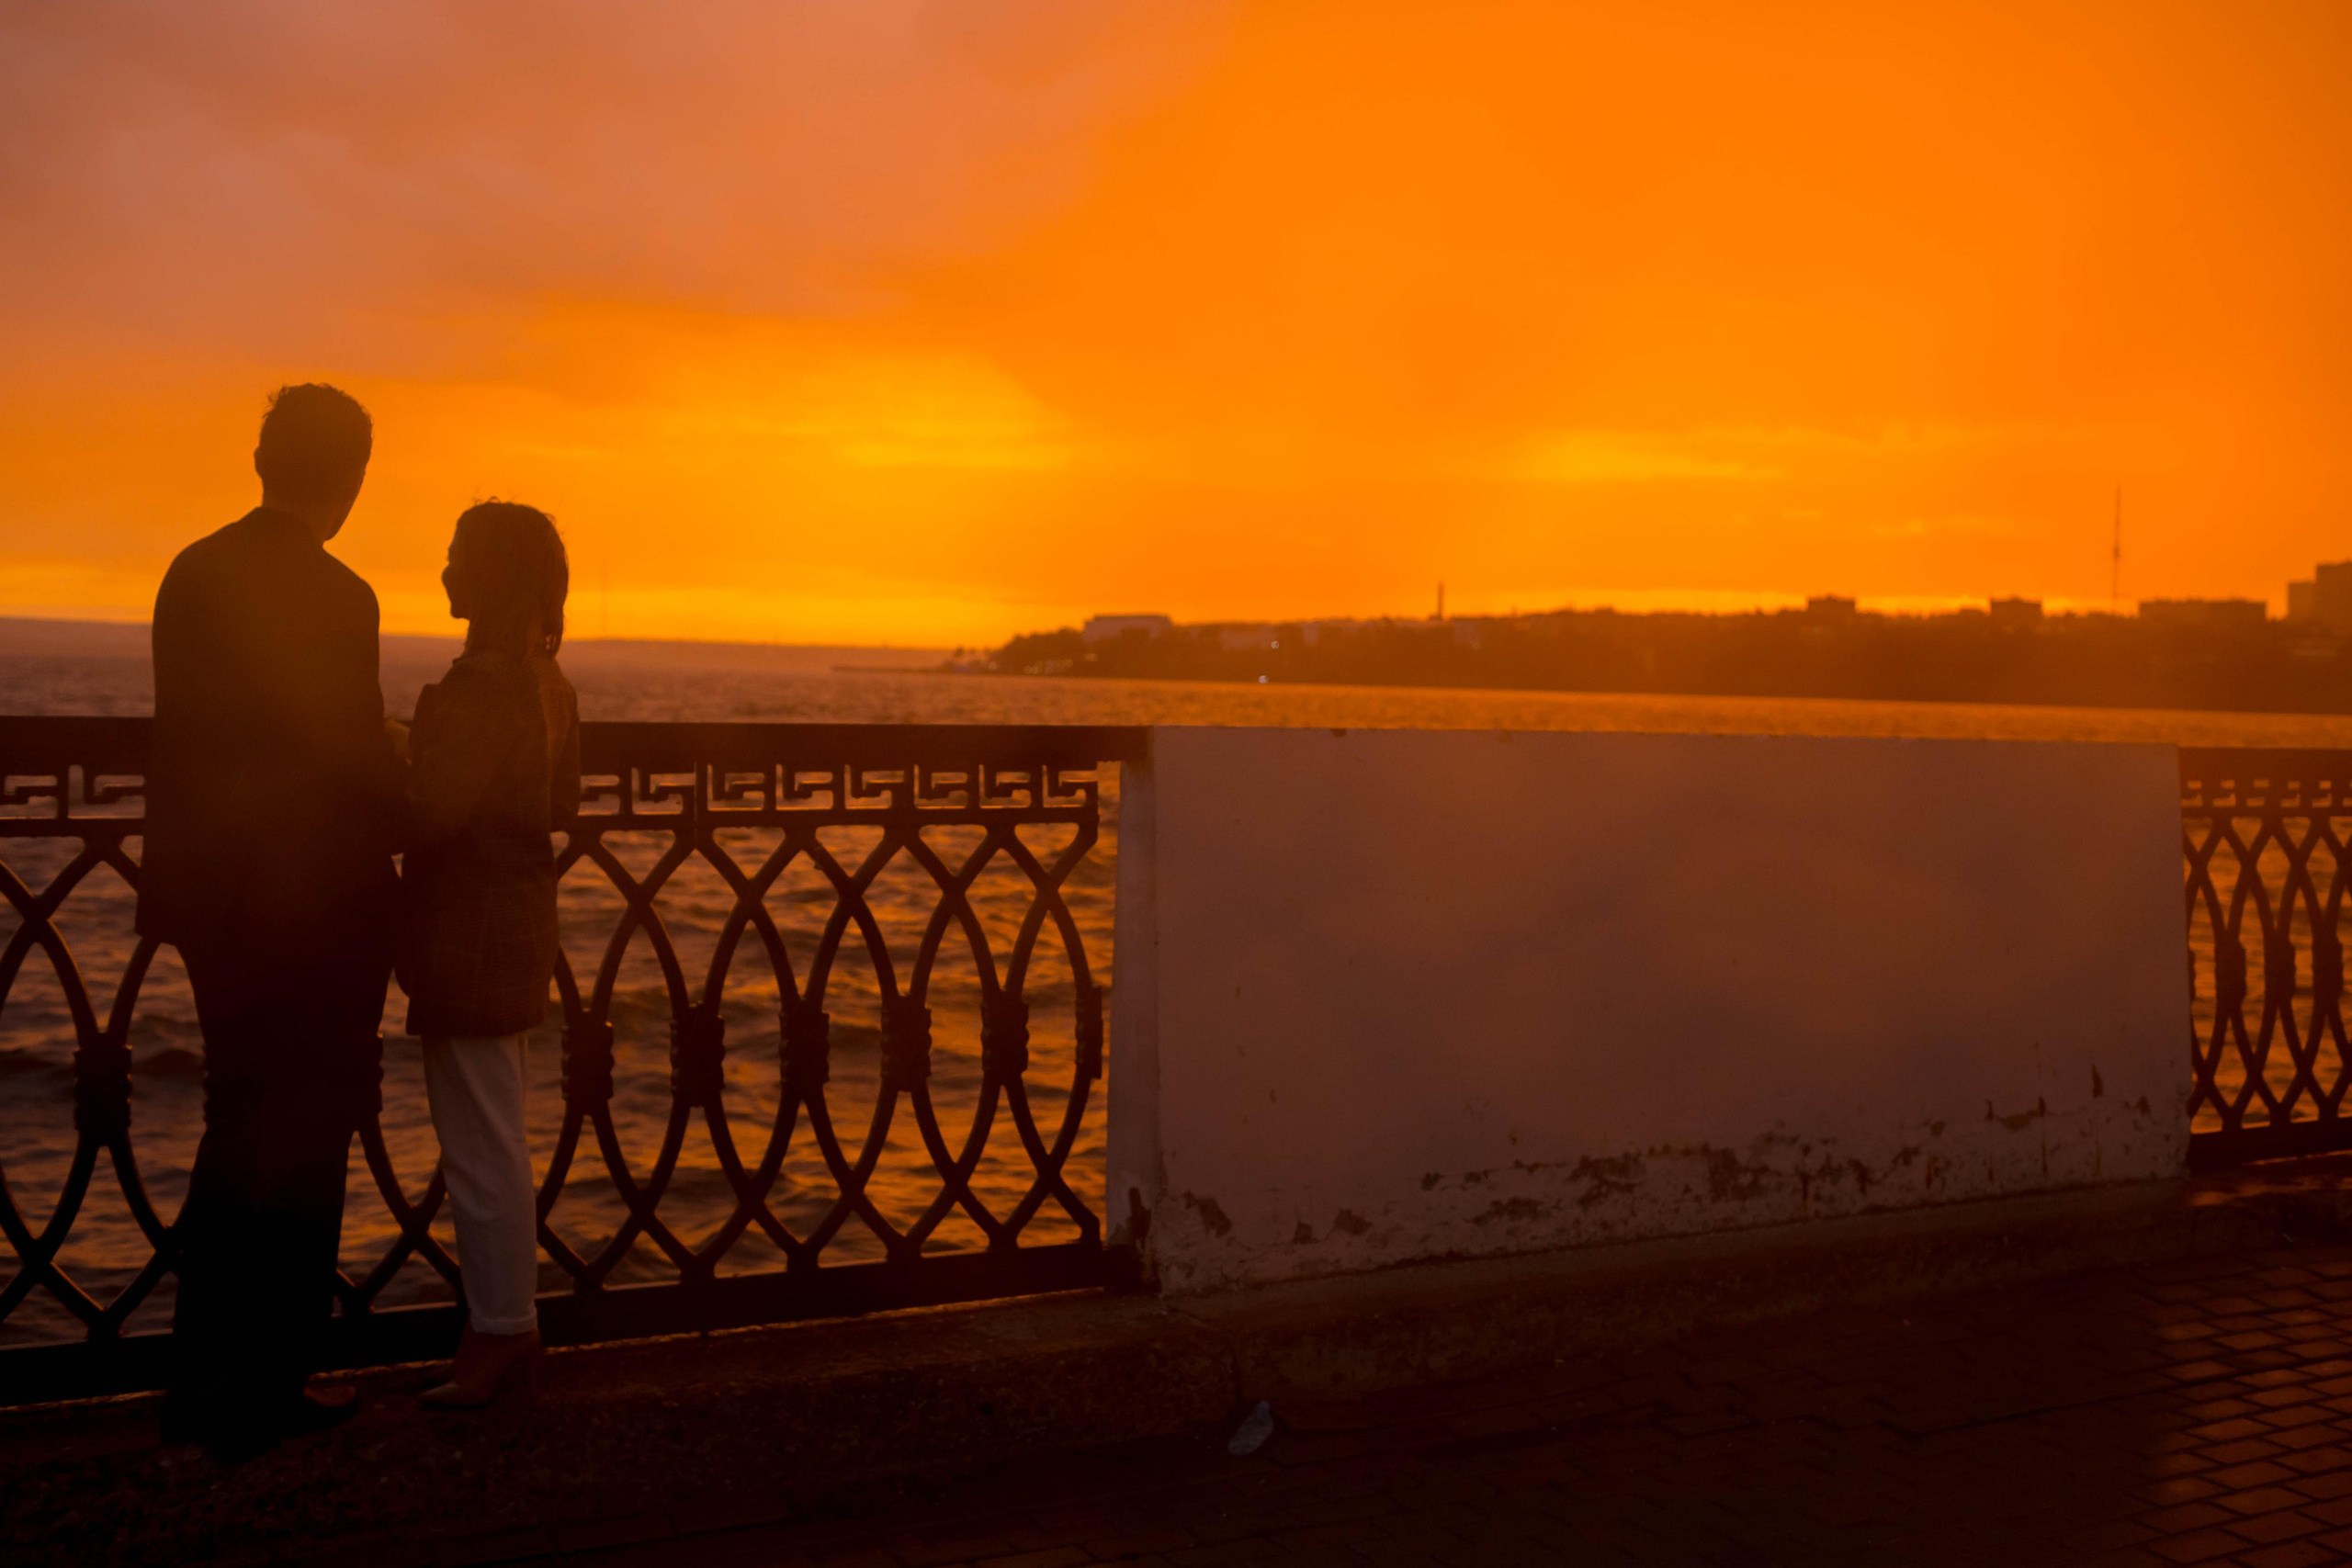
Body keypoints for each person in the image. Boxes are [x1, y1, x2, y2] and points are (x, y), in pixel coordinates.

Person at [141, 383, 403, 1454]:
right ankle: (271, 1380)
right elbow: (345, 755)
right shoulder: (341, 595)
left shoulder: (190, 572)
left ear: (260, 459)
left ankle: (198, 1377)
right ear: (349, 481)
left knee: (232, 1115)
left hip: (212, 895)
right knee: (310, 1127)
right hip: (319, 902)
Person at [399, 501, 580, 1407]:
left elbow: (428, 813)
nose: (444, 571)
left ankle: (502, 1335)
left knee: (479, 1145)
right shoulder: (547, 678)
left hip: (464, 931)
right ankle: (507, 1331)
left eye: (457, 556)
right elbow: (559, 802)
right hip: (519, 925)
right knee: (497, 1131)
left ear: (493, 576)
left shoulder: (478, 685)